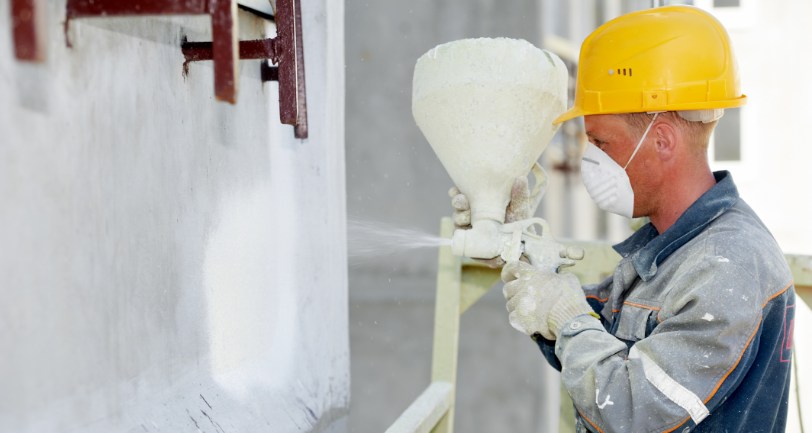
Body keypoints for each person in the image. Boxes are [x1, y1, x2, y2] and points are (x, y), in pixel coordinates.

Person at [450, 6, 795, 433]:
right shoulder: (676, 247)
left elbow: (632, 410)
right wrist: (525, 259)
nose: (586, 158)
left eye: (599, 140)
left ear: (662, 139)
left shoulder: (728, 266)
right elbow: (606, 341)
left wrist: (568, 320)